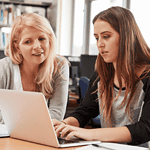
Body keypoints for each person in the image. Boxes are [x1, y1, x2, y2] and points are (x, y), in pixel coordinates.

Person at [53, 6, 150, 148]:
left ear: (126, 36)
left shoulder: (147, 76)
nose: (99, 44)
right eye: (97, 38)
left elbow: (144, 129)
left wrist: (89, 134)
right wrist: (63, 125)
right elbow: (85, 111)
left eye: (106, 36)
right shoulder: (102, 73)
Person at [0, 13, 69, 123]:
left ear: (49, 40)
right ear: (17, 47)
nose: (37, 46)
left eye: (42, 39)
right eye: (28, 41)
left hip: (41, 136)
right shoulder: (4, 68)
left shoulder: (59, 65)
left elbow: (56, 114)